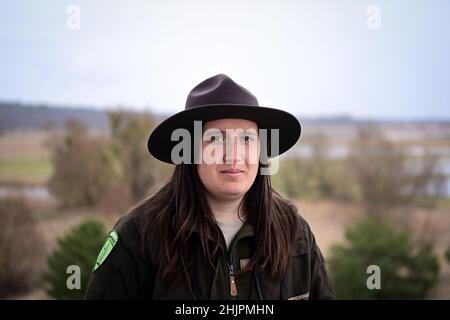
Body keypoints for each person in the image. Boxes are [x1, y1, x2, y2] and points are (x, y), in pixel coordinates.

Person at [85, 74, 335, 300]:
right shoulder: (139, 237)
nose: (233, 155)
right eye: (215, 139)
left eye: (247, 139)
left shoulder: (293, 233)